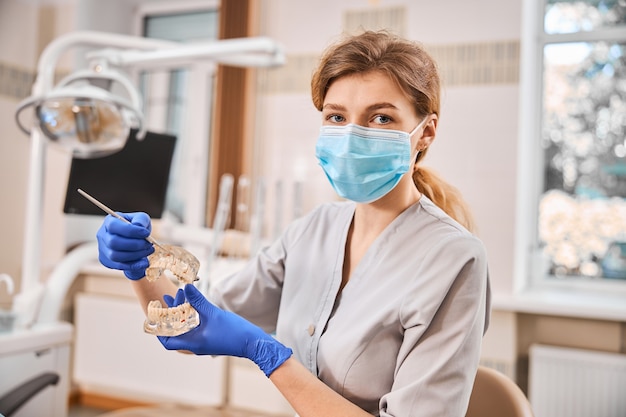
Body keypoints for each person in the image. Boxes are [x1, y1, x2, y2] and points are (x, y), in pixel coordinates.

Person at [96, 30, 491, 417]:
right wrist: (140, 264)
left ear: (426, 132)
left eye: (381, 118)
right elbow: (188, 325)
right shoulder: (314, 230)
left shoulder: (454, 259)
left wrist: (268, 355)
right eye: (337, 116)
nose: (352, 135)